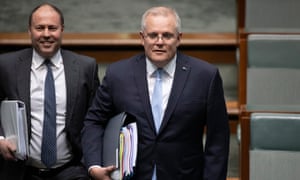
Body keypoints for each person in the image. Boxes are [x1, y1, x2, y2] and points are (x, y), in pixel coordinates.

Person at [82, 6, 229, 180]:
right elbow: (94, 121)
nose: (159, 41)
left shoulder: (205, 76)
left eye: (167, 35)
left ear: (179, 39)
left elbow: (218, 140)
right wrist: (94, 165)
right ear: (142, 38)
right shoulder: (118, 74)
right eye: (153, 35)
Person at [0, 3, 100, 180]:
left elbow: (96, 119)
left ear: (61, 30)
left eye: (52, 28)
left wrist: (90, 163)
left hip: (72, 171)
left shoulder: (86, 67)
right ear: (30, 31)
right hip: (21, 171)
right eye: (40, 28)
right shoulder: (7, 65)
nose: (46, 34)